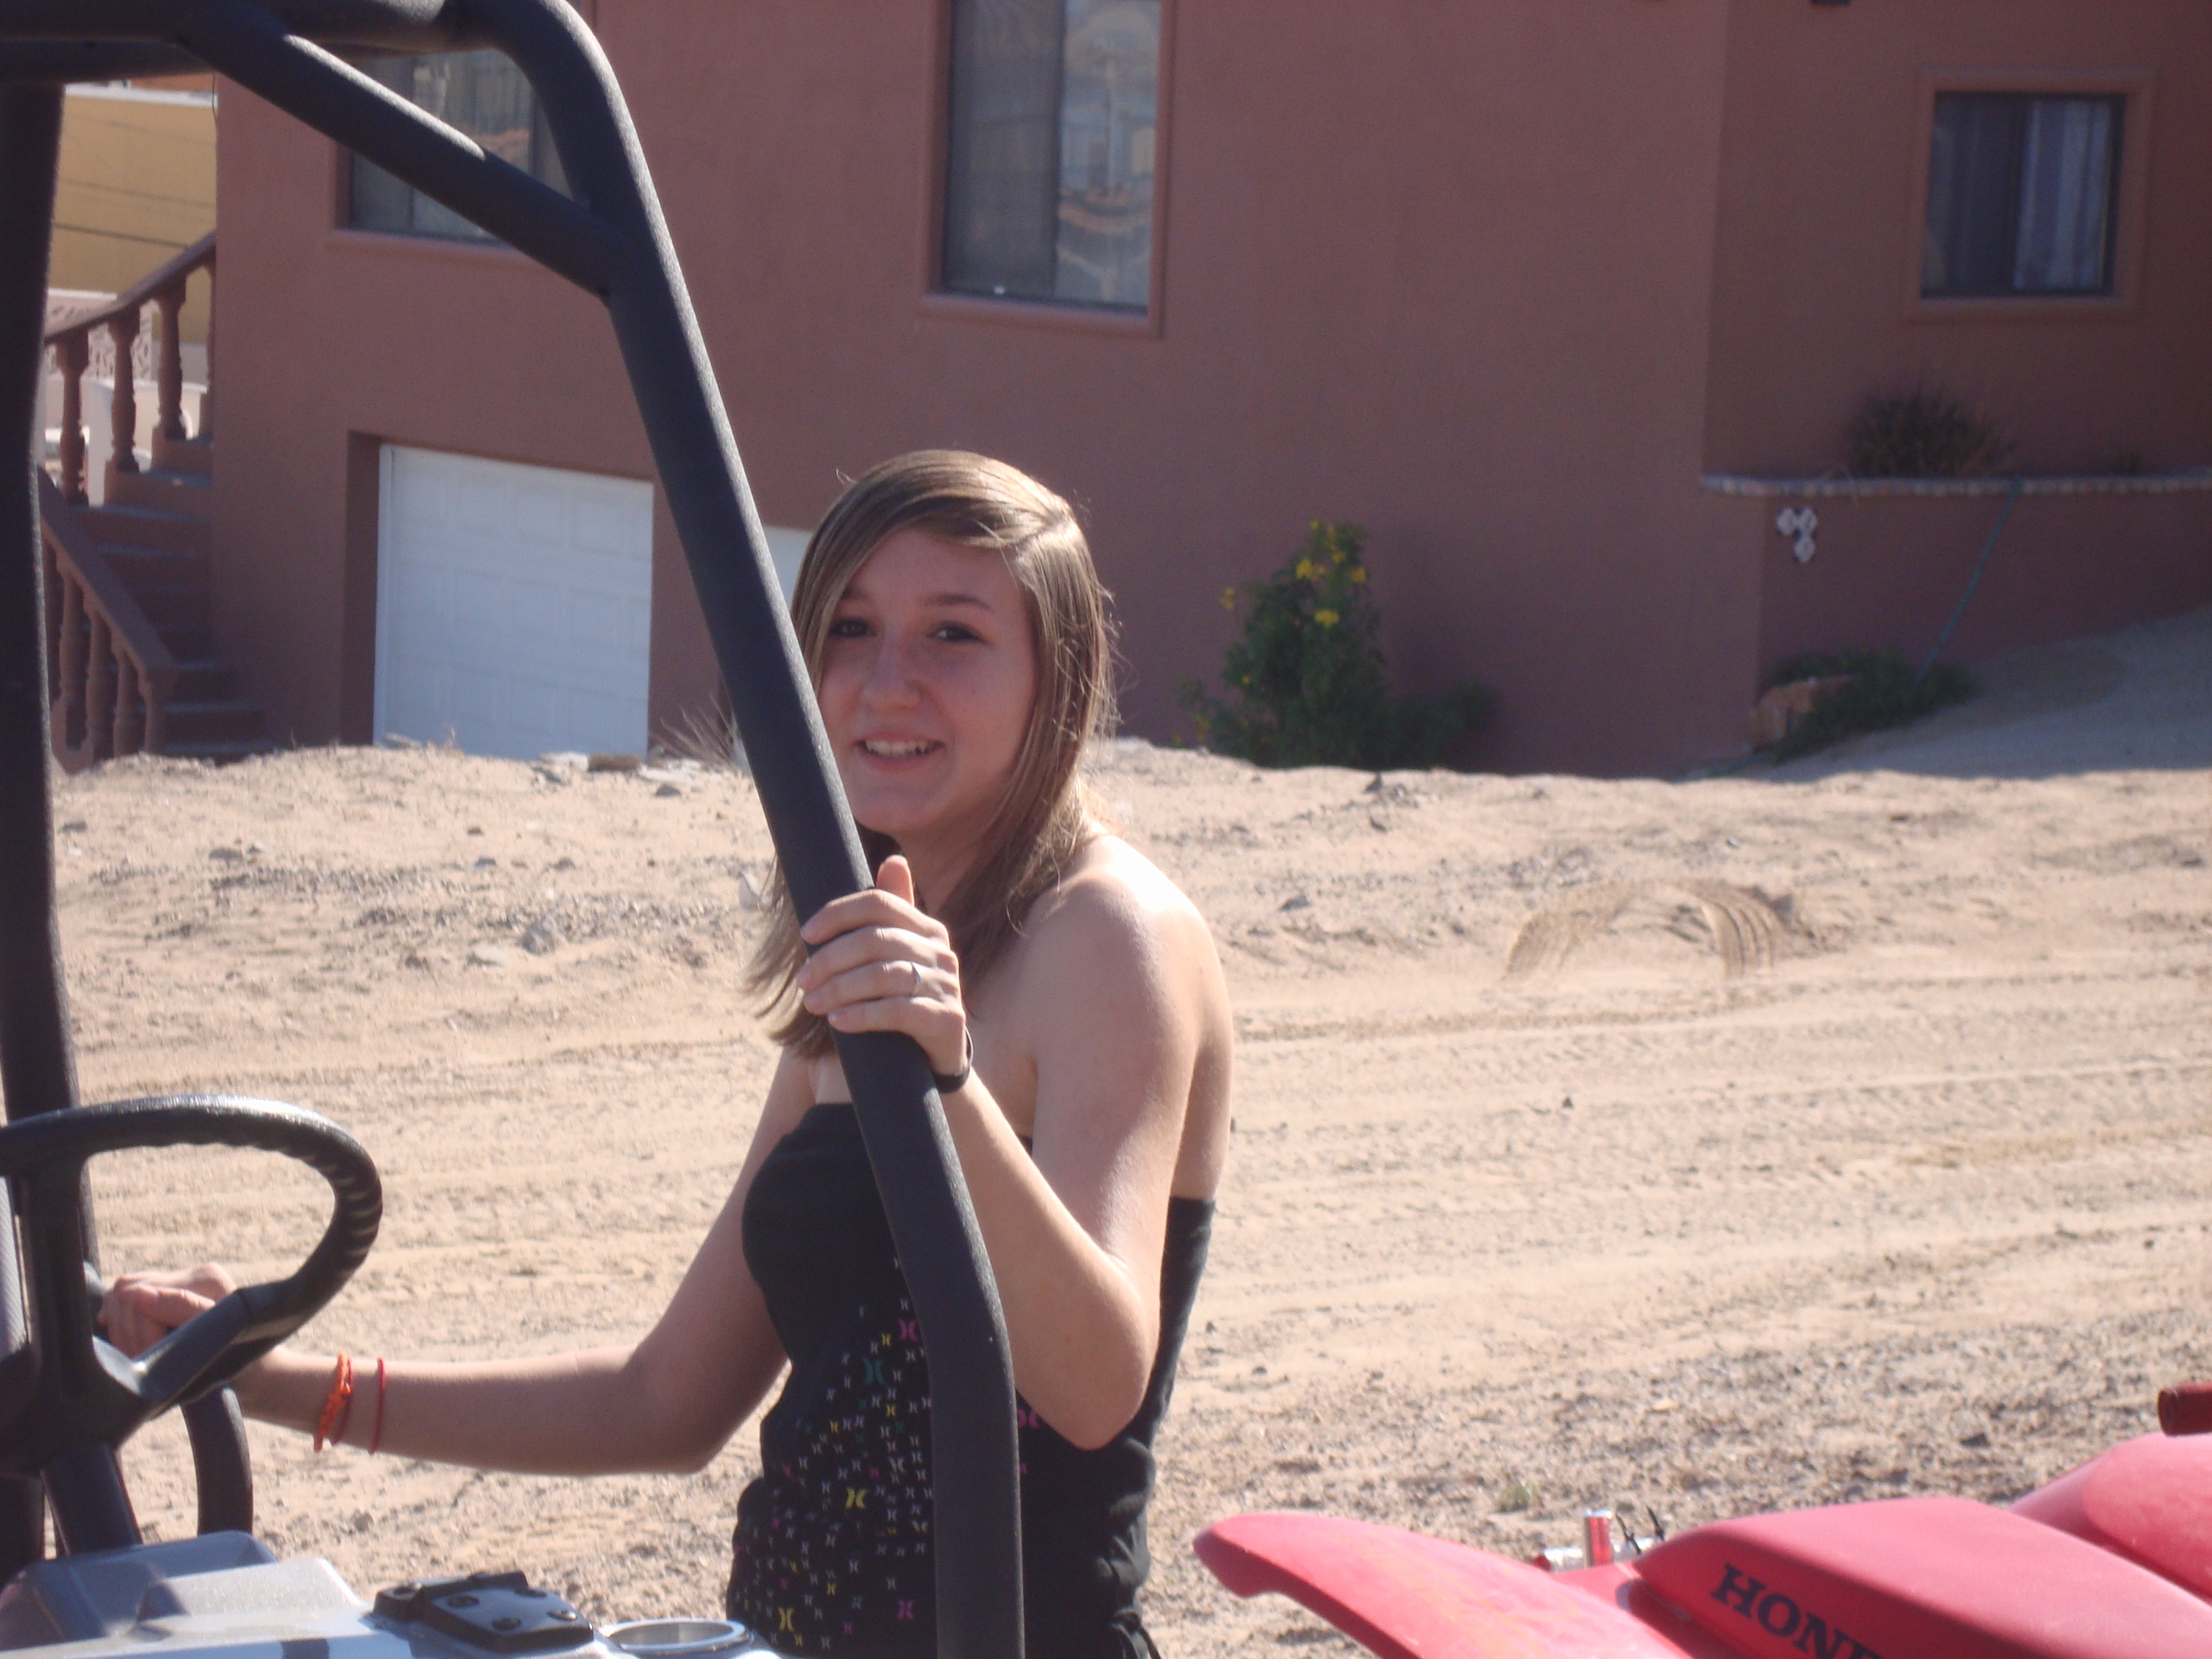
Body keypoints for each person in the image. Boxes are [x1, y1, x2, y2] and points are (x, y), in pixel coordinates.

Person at [102, 450, 1235, 1659]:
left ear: (1057, 679)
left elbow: (1096, 1385)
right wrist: (271, 1373)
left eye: (953, 635)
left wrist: (944, 1083)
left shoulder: (1108, 937)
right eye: (850, 629)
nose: (886, 683)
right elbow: (665, 1401)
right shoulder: (863, 940)